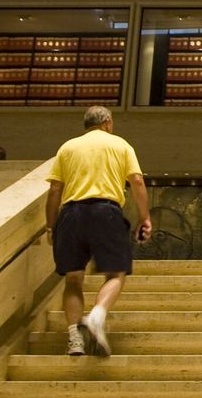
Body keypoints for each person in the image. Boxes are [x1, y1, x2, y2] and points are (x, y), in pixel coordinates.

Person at [44, 106, 151, 357]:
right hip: (106, 212)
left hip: (71, 214)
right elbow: (136, 181)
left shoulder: (67, 147)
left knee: (73, 279)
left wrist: (50, 225)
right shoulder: (120, 145)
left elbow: (54, 191)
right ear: (107, 122)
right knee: (116, 273)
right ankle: (97, 316)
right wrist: (144, 217)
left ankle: (75, 339)